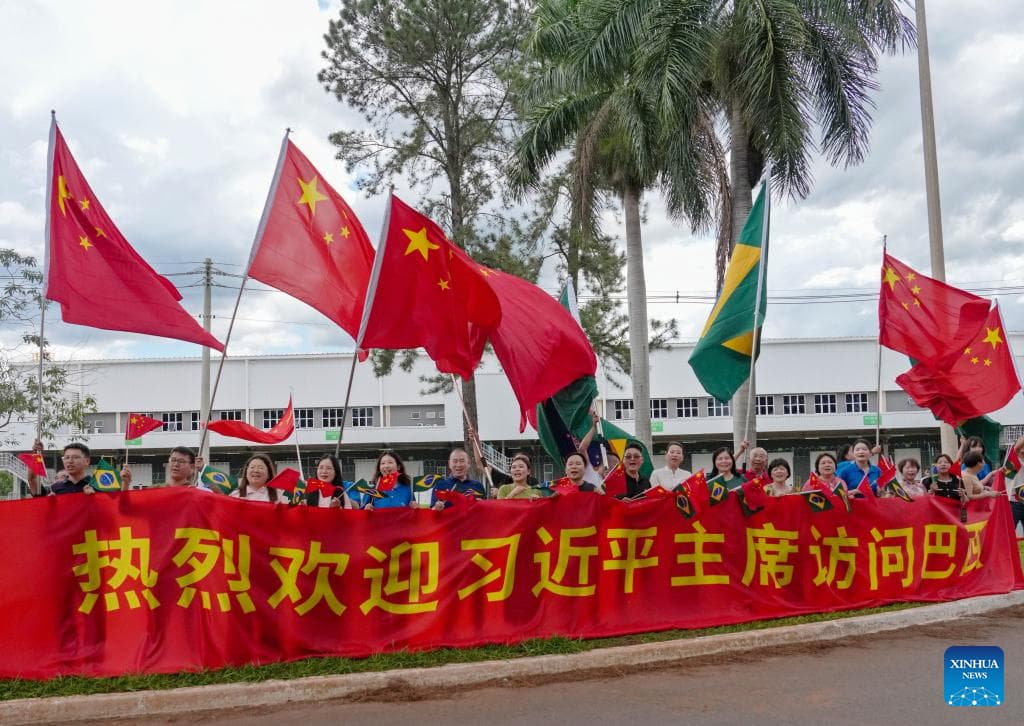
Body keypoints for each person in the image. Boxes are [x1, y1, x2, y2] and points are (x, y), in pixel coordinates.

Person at [121, 446, 206, 490]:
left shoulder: (194, 493)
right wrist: (126, 483)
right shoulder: (155, 490)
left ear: (191, 467)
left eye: (181, 461)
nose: (176, 464)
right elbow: (127, 509)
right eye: (173, 460)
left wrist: (205, 470)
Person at [27, 442, 94, 495]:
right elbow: (32, 479)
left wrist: (96, 498)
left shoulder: (97, 486)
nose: (70, 461)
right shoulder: (54, 489)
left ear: (87, 461)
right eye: (67, 457)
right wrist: (36, 455)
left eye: (75, 457)